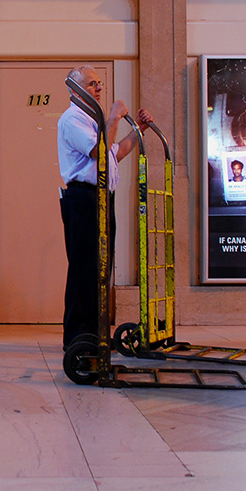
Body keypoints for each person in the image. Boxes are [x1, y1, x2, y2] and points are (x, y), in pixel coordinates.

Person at [57, 66, 153, 350]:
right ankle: (78, 337)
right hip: (84, 199)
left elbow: (114, 153)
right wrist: (113, 117)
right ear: (74, 90)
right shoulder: (72, 119)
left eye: (100, 83)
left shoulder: (92, 119)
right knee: (85, 269)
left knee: (101, 268)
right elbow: (99, 151)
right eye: (91, 84)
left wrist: (140, 130)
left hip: (101, 197)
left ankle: (96, 333)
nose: (99, 88)